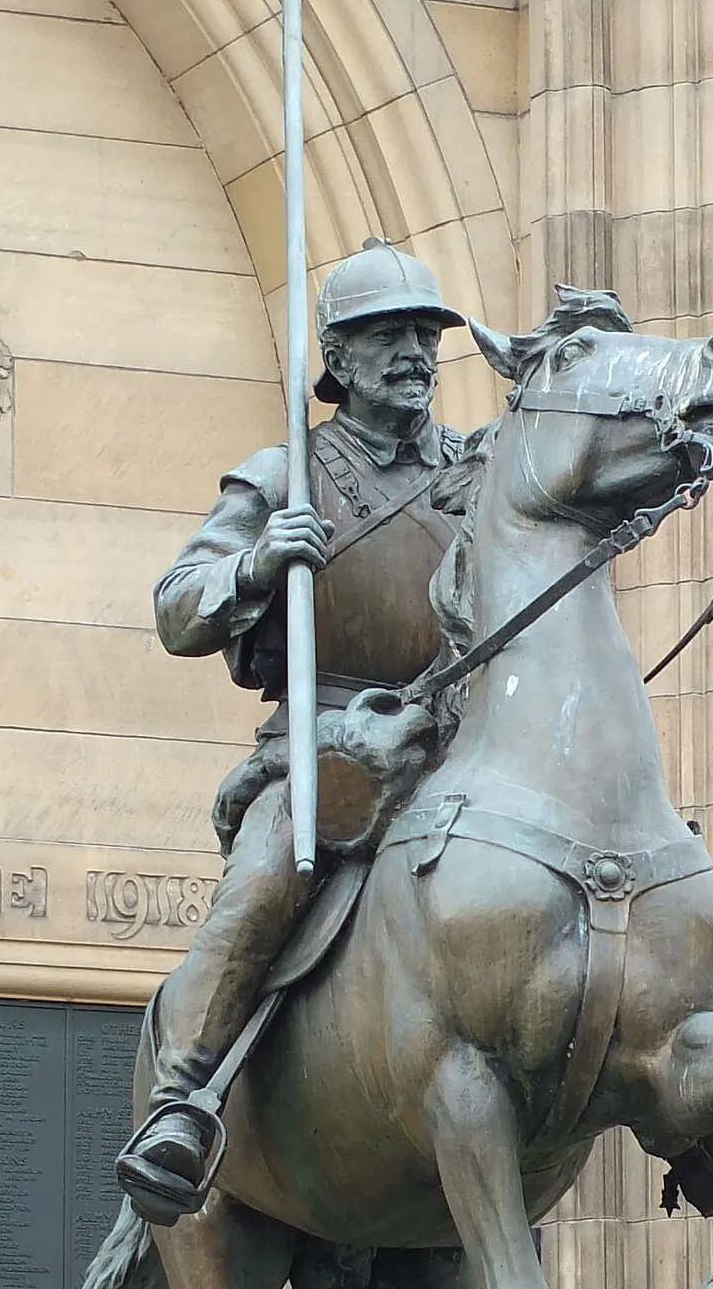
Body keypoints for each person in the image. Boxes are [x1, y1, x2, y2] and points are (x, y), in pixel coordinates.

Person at [117, 239, 467, 1218]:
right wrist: (256, 565)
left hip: (457, 741)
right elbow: (176, 606)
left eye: (423, 333)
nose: (411, 352)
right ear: (338, 357)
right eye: (385, 334)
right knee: (273, 870)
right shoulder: (287, 470)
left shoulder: (478, 470)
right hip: (326, 741)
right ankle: (183, 1099)